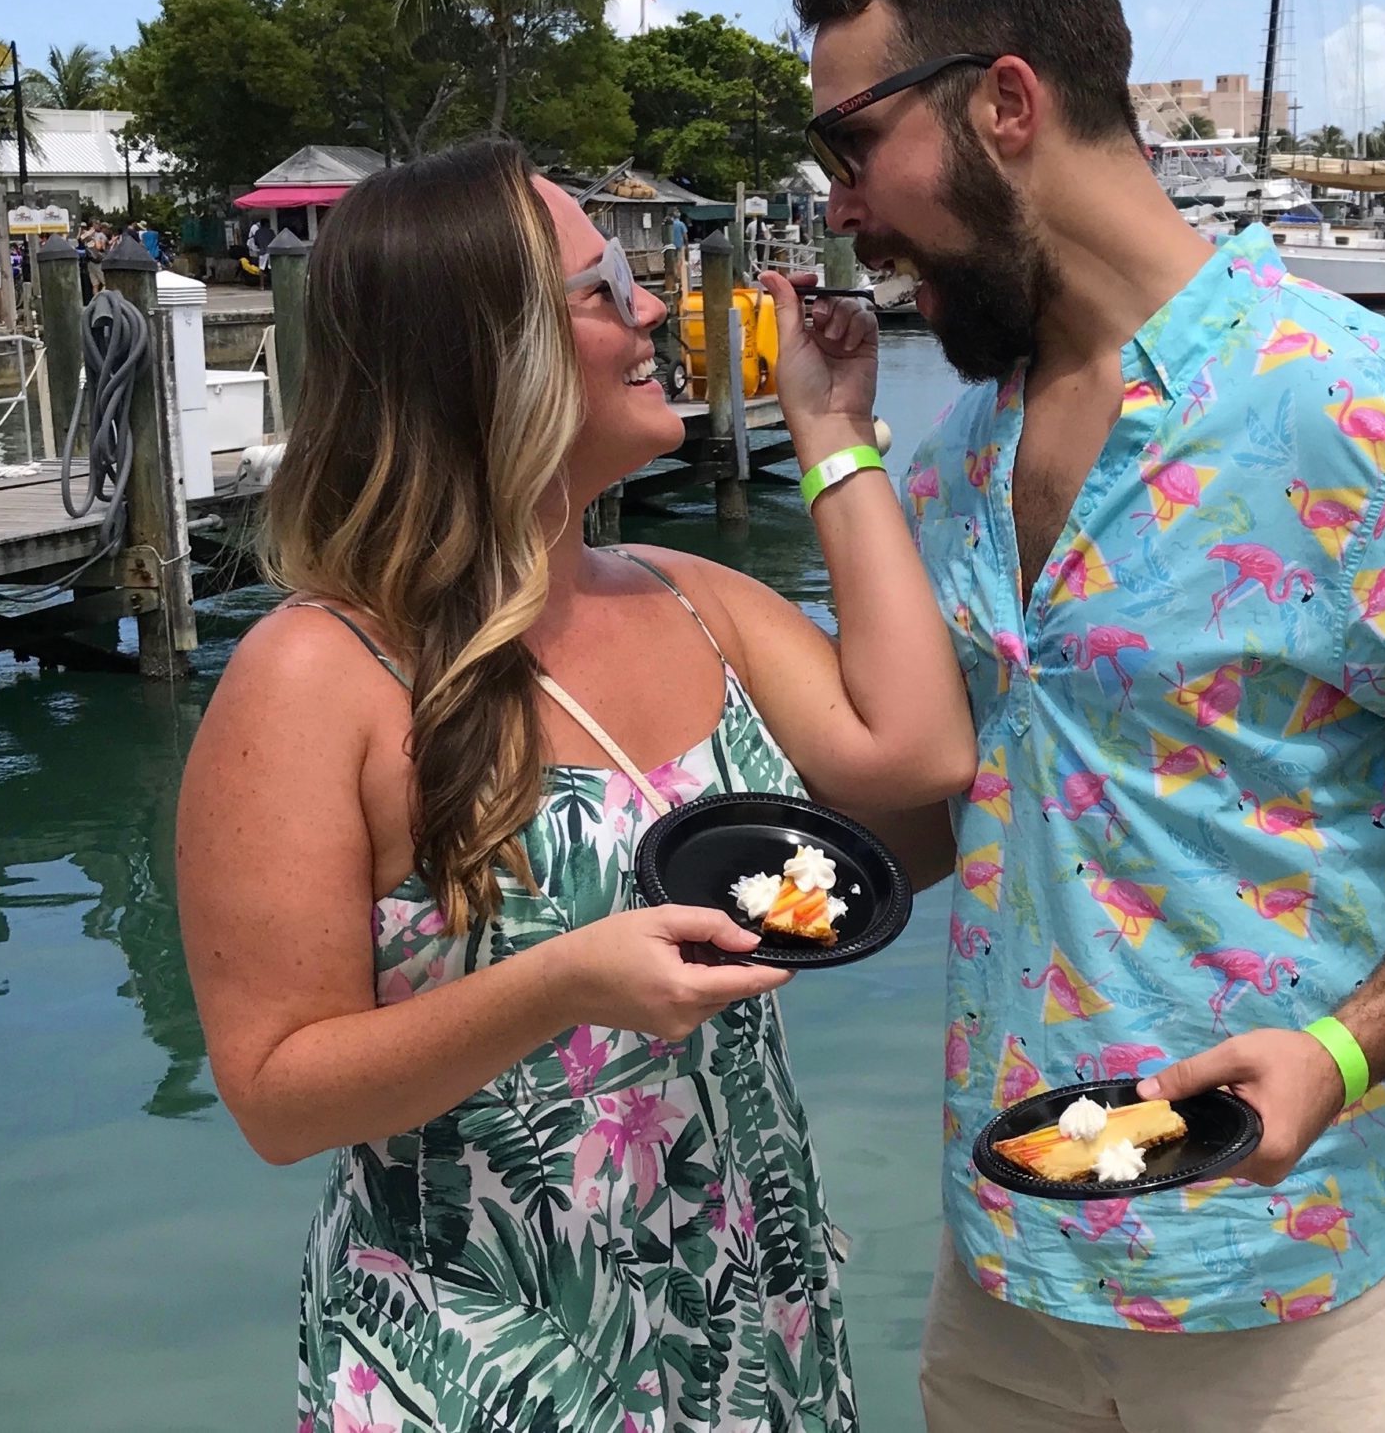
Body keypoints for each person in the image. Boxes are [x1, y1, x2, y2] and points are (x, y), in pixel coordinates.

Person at [791, 0, 1385, 1431]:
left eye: (851, 147)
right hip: (1012, 1264)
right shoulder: (954, 464)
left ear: (1004, 103)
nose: (840, 205)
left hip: (1295, 1275)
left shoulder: (1345, 407)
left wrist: (1342, 1052)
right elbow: (925, 820)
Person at [176, 139, 976, 1431]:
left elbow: (922, 758)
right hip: (481, 1357)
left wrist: (833, 437)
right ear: (487, 356)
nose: (655, 303)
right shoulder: (320, 677)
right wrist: (566, 979)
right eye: (603, 285)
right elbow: (278, 1091)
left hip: (744, 1326)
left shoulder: (694, 598)